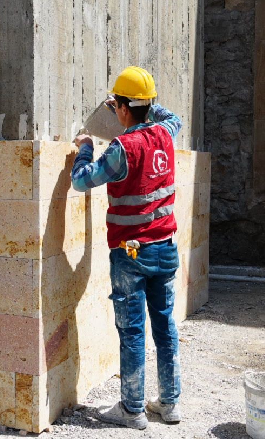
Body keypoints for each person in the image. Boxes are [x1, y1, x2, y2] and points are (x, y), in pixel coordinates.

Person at [71, 67, 182, 430]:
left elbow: (81, 181)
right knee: (164, 326)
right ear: (148, 105)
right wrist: (145, 103)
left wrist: (85, 149)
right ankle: (169, 403)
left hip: (131, 253)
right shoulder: (166, 133)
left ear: (120, 108)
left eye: (118, 106)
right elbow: (171, 116)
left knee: (133, 331)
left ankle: (132, 410)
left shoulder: (122, 148)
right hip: (165, 248)